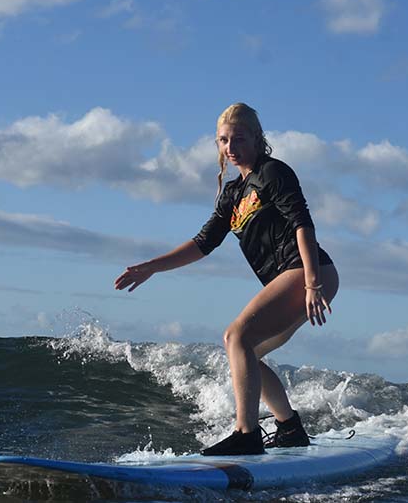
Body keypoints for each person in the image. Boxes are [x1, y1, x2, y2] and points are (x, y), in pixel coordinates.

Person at [114, 103, 339, 455]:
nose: (231, 147)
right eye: (223, 140)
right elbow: (203, 243)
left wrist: (312, 283)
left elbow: (302, 224)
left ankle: (246, 434)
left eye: (239, 139)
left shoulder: (273, 173)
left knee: (236, 336)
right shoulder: (233, 194)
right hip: (291, 276)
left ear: (257, 138)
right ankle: (290, 428)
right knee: (246, 355)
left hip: (307, 270)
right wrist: (153, 266)